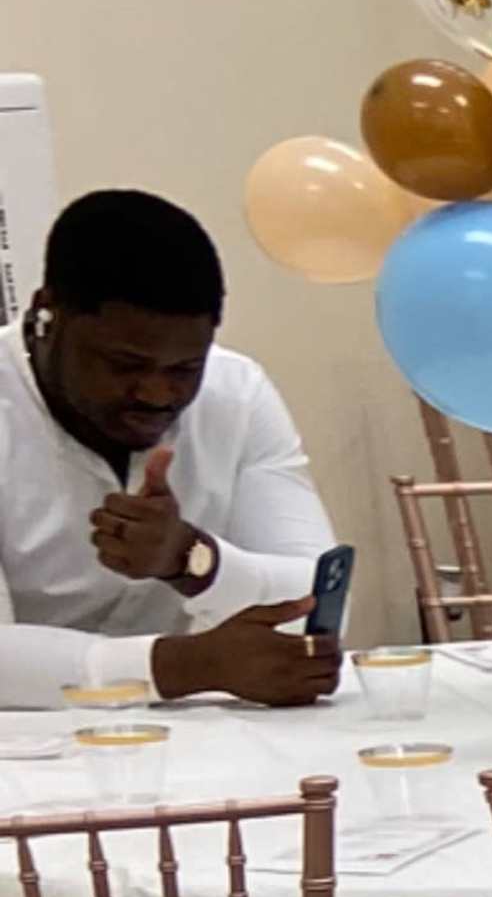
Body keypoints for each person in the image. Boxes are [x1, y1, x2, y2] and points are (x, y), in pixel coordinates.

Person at [0, 187, 344, 709]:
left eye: (185, 369)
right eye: (124, 365)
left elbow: (317, 604)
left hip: (190, 747)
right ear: (48, 315)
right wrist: (188, 665)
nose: (158, 395)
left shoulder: (236, 392)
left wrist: (191, 561)